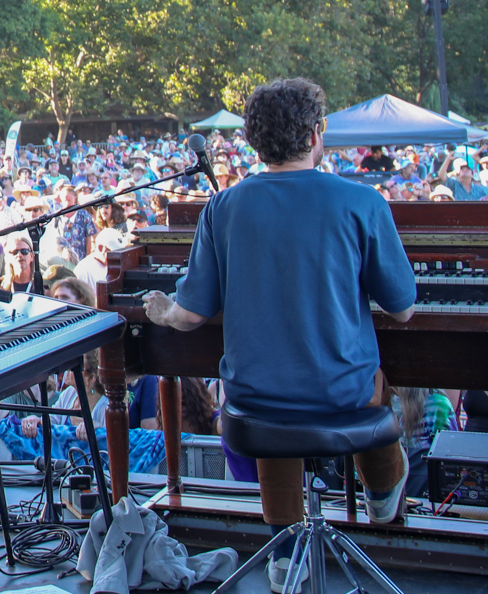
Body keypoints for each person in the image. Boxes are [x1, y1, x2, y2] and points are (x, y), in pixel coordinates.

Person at [143, 77, 414, 587]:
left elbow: (190, 316)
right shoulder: (363, 202)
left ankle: (286, 547)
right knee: (371, 382)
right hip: (342, 396)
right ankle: (382, 494)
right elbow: (402, 311)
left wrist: (161, 309)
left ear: (254, 141)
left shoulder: (222, 208)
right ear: (317, 134)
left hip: (253, 404)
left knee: (267, 388)